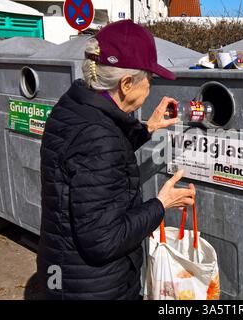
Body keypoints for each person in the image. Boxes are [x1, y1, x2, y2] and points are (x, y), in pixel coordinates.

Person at [37, 20, 195, 300]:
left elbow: (94, 162)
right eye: (149, 78)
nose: (149, 87)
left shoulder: (72, 107)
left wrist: (146, 128)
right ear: (126, 84)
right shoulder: (99, 136)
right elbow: (103, 241)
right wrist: (161, 204)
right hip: (95, 287)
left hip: (62, 272)